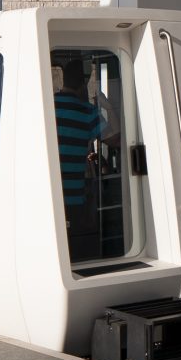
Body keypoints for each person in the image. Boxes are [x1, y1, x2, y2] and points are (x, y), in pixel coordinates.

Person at [54, 59, 104, 258]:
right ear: (83, 84)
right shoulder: (88, 112)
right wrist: (106, 103)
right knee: (75, 246)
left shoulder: (46, 104)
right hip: (74, 193)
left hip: (48, 192)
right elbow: (116, 139)